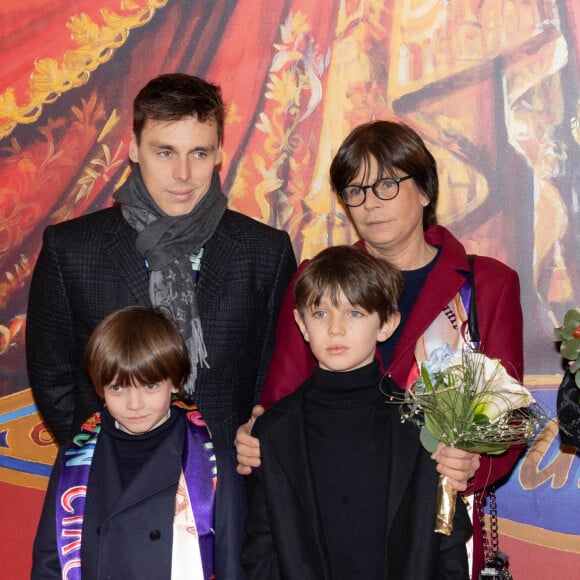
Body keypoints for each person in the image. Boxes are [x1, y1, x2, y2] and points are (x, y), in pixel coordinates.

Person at [236, 120, 524, 578]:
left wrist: (475, 461)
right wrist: (257, 436)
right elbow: (281, 399)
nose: (370, 204)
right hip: (328, 524)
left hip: (433, 522)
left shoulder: (485, 284)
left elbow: (508, 420)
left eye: (387, 184)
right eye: (355, 191)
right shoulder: (315, 283)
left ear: (426, 190)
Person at [26, 73, 297, 446]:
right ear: (135, 149)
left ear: (219, 153)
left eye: (198, 153)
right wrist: (95, 455)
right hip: (109, 479)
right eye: (165, 152)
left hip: (225, 486)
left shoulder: (266, 252)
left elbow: (274, 377)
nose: (182, 175)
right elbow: (52, 376)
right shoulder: (71, 248)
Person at [241, 246, 472, 579]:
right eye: (320, 313)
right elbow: (261, 550)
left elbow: (448, 543)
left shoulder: (426, 424)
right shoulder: (274, 431)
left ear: (387, 323)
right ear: (301, 324)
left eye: (354, 313)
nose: (336, 329)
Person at [31, 306, 247, 579]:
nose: (134, 404)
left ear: (177, 381)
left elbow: (232, 565)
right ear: (100, 387)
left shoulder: (213, 461)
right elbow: (50, 562)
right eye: (117, 387)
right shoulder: (74, 459)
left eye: (150, 386)